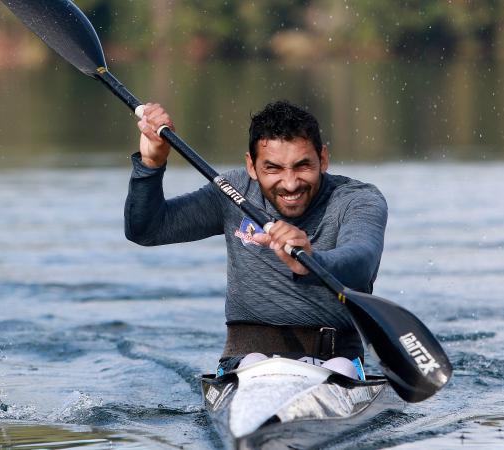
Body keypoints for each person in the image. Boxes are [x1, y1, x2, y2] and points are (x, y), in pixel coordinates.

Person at [124, 100, 388, 379]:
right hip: (245, 365)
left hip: (338, 364)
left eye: (302, 166)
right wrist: (151, 164)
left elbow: (362, 262)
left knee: (341, 368)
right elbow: (147, 229)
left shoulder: (357, 200)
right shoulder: (231, 191)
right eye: (273, 168)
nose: (290, 183)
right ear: (251, 165)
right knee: (254, 361)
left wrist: (311, 262)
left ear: (323, 158)